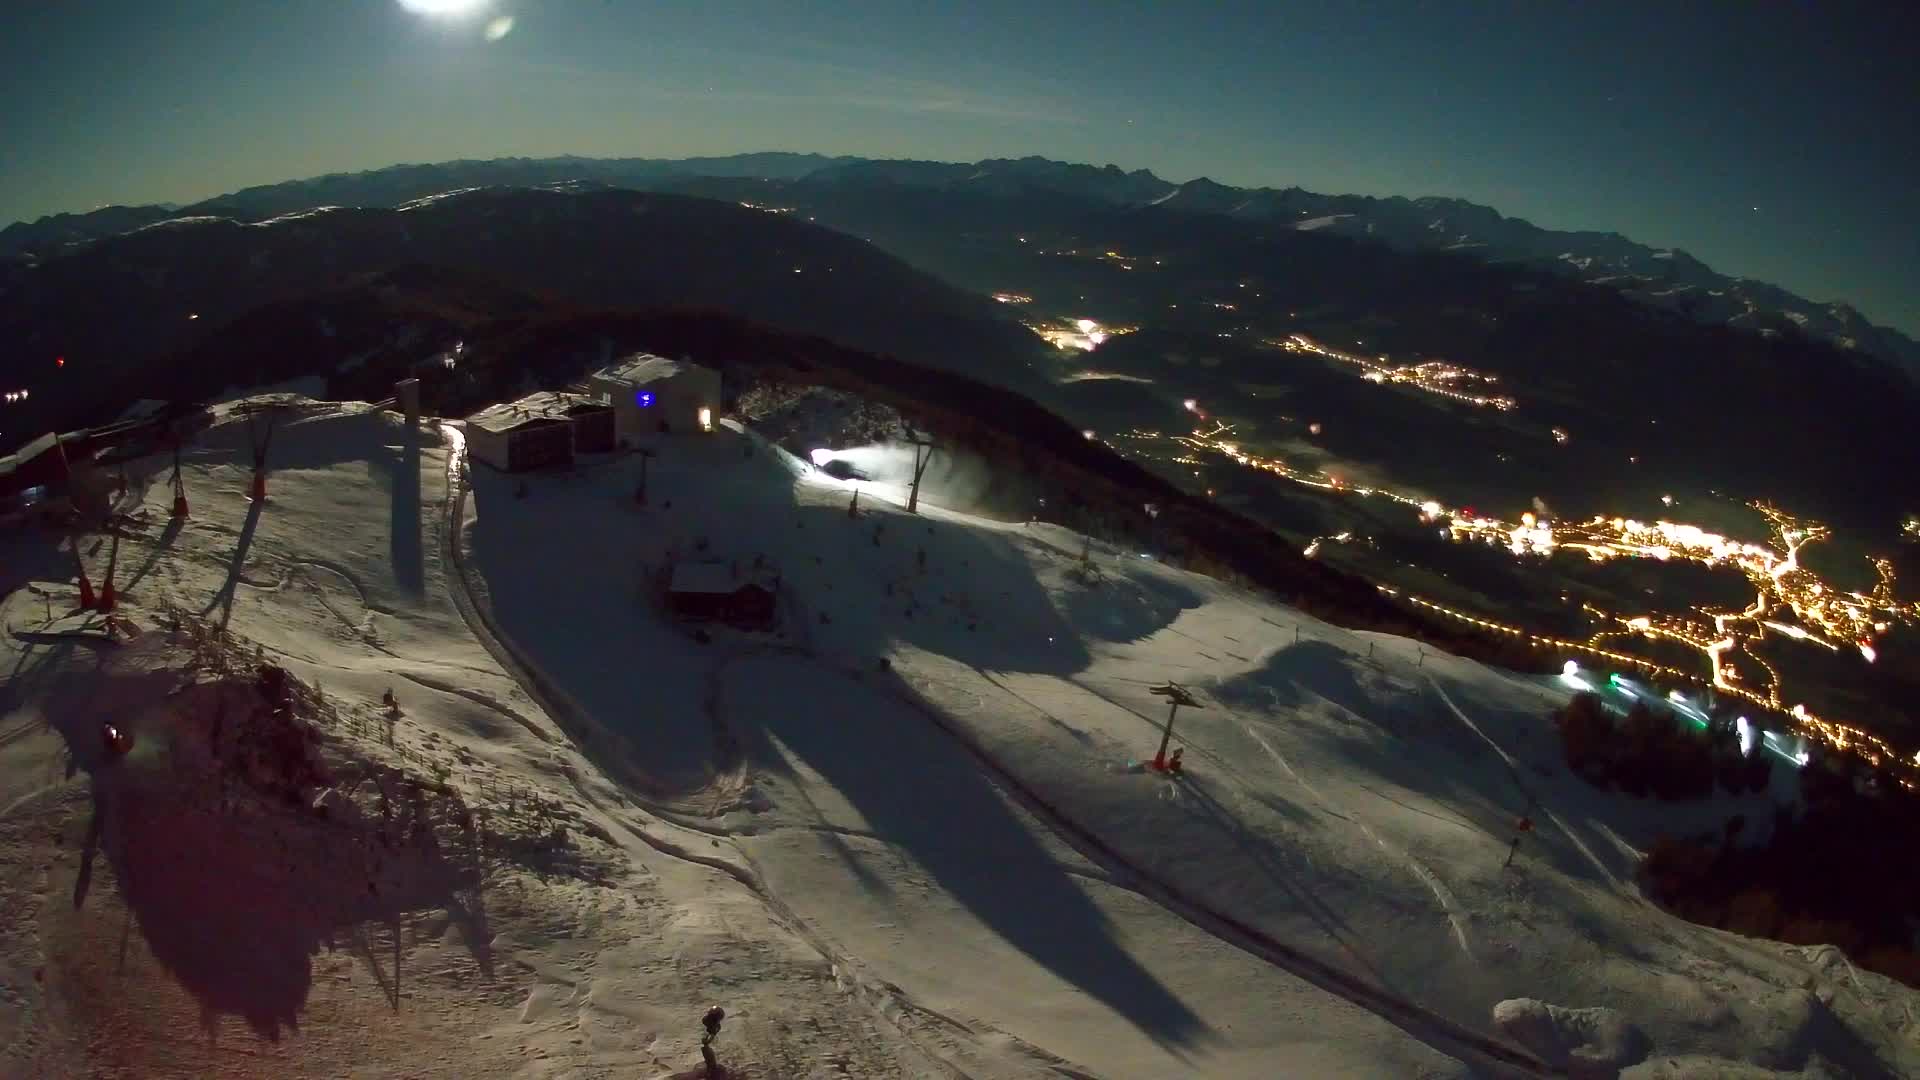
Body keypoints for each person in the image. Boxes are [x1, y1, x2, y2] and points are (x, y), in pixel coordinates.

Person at [700, 1005, 725, 1077]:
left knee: (707, 1051)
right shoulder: (706, 1021)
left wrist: (708, 1040)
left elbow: (712, 1034)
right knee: (706, 1050)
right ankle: (711, 1068)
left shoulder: (716, 1027)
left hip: (709, 1043)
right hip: (707, 1042)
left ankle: (711, 1069)